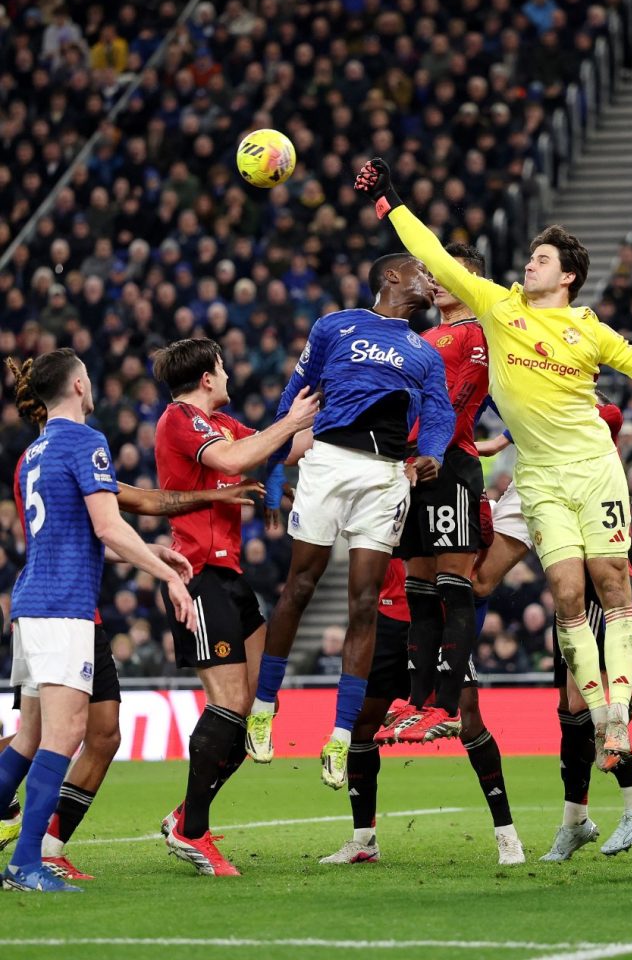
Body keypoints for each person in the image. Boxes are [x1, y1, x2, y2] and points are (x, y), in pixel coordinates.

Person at [355, 157, 632, 772]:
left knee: (611, 580)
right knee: (565, 595)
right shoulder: (498, 307)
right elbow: (434, 255)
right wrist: (390, 200)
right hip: (539, 477)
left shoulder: (591, 330)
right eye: (530, 257)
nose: (528, 265)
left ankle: (620, 713)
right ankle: (604, 717)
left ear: (567, 277)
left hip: (593, 467)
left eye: (540, 260)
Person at [0, 357, 262, 880]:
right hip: (65, 607)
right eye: (89, 375)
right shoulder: (86, 441)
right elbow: (107, 527)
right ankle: (28, 863)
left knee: (36, 736)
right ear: (80, 383)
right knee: (62, 735)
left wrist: (152, 552)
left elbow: (78, 532)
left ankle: (39, 853)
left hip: (33, 603)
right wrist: (166, 575)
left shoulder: (33, 454)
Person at [247, 254, 455, 791]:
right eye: (421, 271)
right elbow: (295, 394)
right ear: (391, 276)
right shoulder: (335, 326)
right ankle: (264, 706)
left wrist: (432, 453)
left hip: (386, 477)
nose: (431, 280)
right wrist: (275, 468)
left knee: (365, 603)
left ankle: (339, 736)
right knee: (300, 585)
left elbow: (440, 414)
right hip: (328, 463)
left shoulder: (425, 352)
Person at [152, 337, 319, 877]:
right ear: (206, 377)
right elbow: (232, 459)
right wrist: (289, 421)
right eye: (221, 368)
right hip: (197, 575)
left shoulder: (221, 425)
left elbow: (282, 449)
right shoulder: (180, 420)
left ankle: (187, 815)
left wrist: (343, 416)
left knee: (254, 712)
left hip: (231, 579)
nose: (227, 376)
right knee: (227, 706)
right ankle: (192, 831)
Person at [473, 397, 632, 860]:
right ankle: (576, 821)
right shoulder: (539, 444)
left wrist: (510, 432)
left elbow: (602, 415)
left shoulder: (596, 413)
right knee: (569, 710)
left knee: (581, 703)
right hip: (570, 595)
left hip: (599, 589)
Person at [320, 556, 525, 866]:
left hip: (438, 618)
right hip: (387, 619)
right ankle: (363, 841)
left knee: (469, 720)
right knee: (364, 724)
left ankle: (507, 836)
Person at [376, 243, 491, 745]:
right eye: (436, 272)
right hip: (411, 466)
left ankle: (447, 706)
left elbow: (462, 397)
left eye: (452, 273)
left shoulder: (476, 333)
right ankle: (417, 699)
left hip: (448, 465)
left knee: (453, 585)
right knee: (418, 588)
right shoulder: (424, 336)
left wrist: (431, 447)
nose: (439, 280)